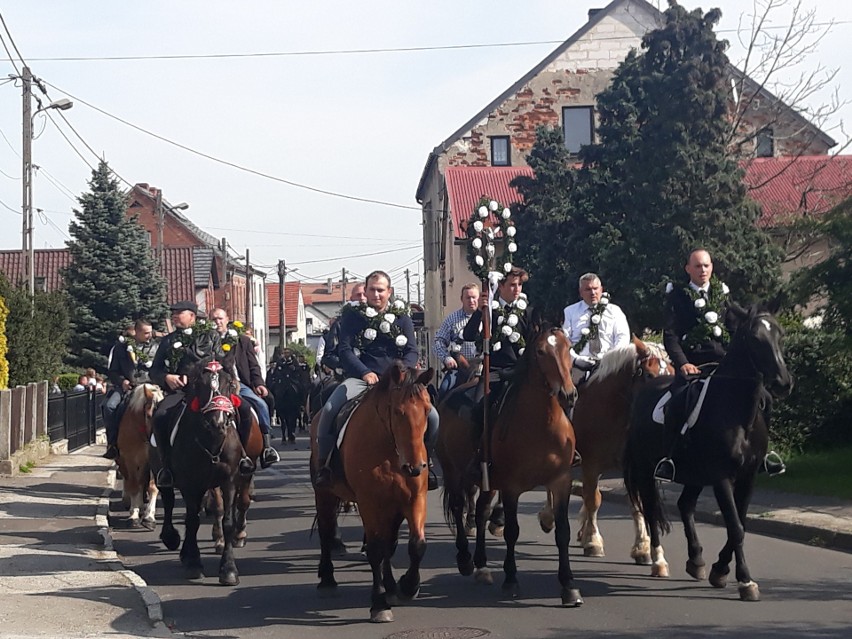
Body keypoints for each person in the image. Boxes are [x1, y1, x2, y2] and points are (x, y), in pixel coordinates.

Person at [655, 248, 783, 480]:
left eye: (706, 265)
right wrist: (682, 363)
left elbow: (735, 331)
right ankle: (669, 459)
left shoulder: (723, 296)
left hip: (725, 364)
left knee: (764, 397)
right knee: (676, 402)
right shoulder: (678, 297)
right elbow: (671, 335)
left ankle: (763, 453)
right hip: (694, 364)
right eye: (697, 266)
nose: (702, 270)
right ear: (688, 269)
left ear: (711, 267)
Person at [314, 271, 439, 490]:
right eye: (372, 289)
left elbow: (411, 351)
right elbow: (344, 350)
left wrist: (402, 373)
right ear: (366, 291)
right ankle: (325, 465)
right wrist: (364, 372)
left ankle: (427, 464)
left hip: (398, 383)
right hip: (363, 379)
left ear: (389, 292)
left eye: (380, 289)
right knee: (330, 409)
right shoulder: (353, 316)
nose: (376, 294)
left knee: (434, 417)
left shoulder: (403, 317)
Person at [149, 300, 251, 488]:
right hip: (180, 393)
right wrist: (167, 377)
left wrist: (226, 380)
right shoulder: (168, 341)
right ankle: (165, 468)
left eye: (180, 312)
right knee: (160, 416)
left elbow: (224, 364)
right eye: (174, 312)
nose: (175, 316)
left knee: (245, 409)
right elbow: (154, 370)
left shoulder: (211, 336)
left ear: (192, 316)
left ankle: (242, 457)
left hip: (211, 391)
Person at [211, 308, 280, 468]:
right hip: (216, 386)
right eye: (214, 319)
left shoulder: (242, 341)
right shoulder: (208, 341)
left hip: (240, 385)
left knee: (261, 404)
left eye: (220, 318)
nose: (217, 322)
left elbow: (253, 365)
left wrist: (259, 384)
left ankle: (267, 446)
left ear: (227, 319)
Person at [102, 319, 159, 460]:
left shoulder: (157, 347)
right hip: (127, 388)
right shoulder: (121, 348)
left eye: (150, 332)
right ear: (137, 332)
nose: (149, 335)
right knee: (109, 406)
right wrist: (123, 382)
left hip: (150, 386)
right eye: (146, 333)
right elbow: (113, 371)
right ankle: (113, 444)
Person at [562, 273, 630, 384]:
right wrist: (576, 359)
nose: (593, 293)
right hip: (579, 366)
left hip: (610, 365)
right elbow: (564, 342)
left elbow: (622, 337)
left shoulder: (615, 311)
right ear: (581, 292)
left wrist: (612, 359)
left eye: (595, 288)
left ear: (601, 289)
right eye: (588, 289)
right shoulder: (569, 312)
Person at [433, 283, 480, 396]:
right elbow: (438, 341)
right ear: (461, 299)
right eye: (468, 297)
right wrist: (447, 358)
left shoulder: (488, 318)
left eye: (474, 297)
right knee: (444, 390)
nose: (471, 300)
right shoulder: (451, 319)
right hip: (459, 368)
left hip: (481, 368)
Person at [319, 282, 368, 375]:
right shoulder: (340, 324)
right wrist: (350, 364)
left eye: (365, 295)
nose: (362, 298)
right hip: (349, 375)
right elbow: (329, 356)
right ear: (352, 298)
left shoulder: (380, 323)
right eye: (358, 295)